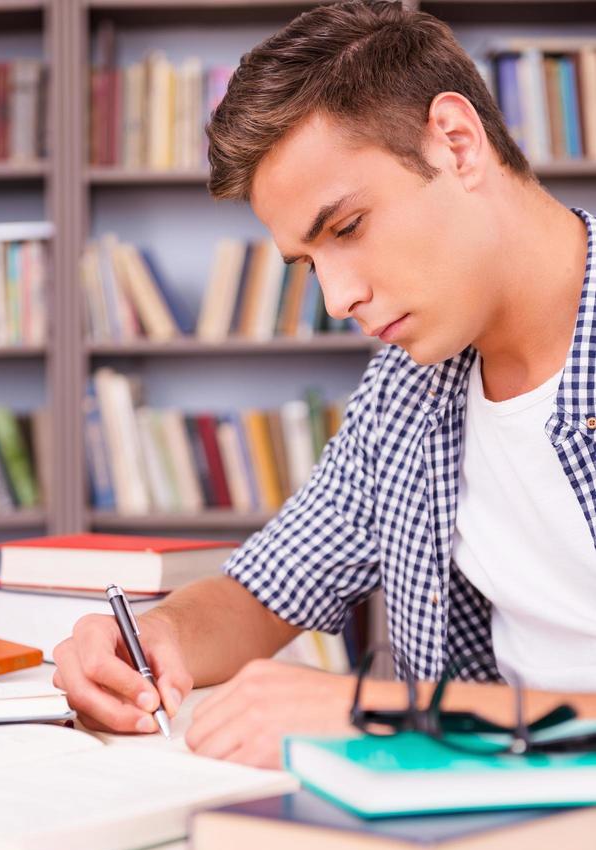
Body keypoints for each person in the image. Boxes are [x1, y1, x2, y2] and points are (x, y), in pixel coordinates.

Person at [54, 0, 596, 768]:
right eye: (310, 262)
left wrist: (386, 711)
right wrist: (158, 637)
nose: (338, 300)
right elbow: (264, 590)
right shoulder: (405, 391)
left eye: (346, 228)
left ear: (457, 143)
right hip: (486, 838)